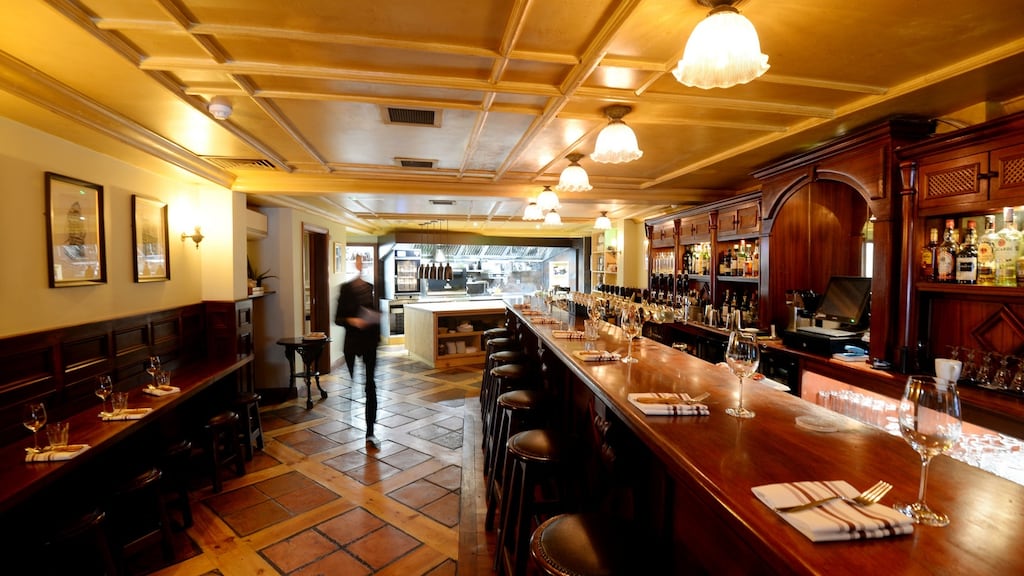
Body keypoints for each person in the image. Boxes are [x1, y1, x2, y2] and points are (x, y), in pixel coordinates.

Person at [336, 254, 381, 445]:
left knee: (370, 385)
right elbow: (337, 318)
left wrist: (374, 319)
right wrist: (352, 320)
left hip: (370, 342)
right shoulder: (345, 289)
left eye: (363, 261)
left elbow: (378, 316)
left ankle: (370, 430)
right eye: (358, 261)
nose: (360, 265)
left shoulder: (372, 289)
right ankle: (350, 411)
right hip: (353, 343)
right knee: (354, 382)